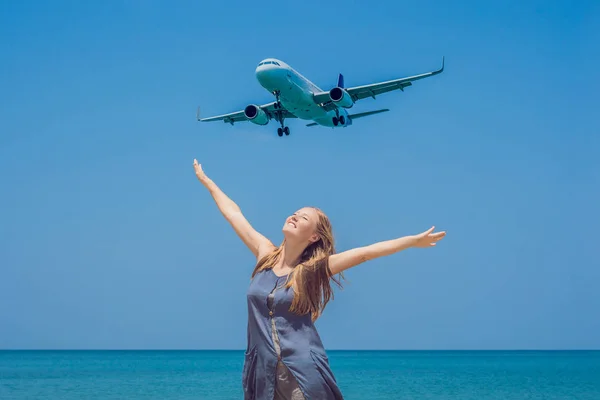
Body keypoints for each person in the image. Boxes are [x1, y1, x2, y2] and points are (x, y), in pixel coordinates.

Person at [193, 159, 446, 400]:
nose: (293, 217)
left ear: (314, 236)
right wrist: (207, 181)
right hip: (262, 372)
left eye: (303, 218)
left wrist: (413, 241)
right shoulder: (265, 255)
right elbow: (234, 215)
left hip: (302, 371)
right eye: (293, 213)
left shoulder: (312, 270)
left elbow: (364, 253)